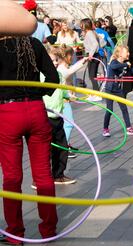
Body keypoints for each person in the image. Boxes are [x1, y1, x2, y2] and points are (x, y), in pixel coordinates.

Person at [0, 35, 59, 246]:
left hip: (7, 112)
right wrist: (36, 92)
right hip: (36, 110)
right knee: (43, 174)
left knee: (12, 176)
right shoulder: (33, 44)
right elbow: (53, 78)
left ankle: (15, 232)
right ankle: (49, 230)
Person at [39, 47, 78, 186]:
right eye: (52, 60)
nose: (55, 63)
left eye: (56, 60)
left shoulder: (59, 76)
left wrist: (69, 95)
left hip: (57, 116)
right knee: (45, 149)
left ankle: (58, 175)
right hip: (45, 117)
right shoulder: (40, 76)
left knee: (61, 147)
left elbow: (61, 91)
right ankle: (40, 179)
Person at [103, 46, 133, 137]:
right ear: (120, 54)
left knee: (124, 109)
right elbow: (114, 67)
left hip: (118, 90)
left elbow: (130, 73)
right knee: (109, 110)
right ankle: (105, 128)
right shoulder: (114, 62)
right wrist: (126, 65)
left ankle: (128, 128)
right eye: (126, 52)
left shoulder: (125, 64)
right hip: (109, 89)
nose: (128, 54)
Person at [58, 45, 88, 158]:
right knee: (69, 123)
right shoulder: (62, 69)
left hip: (65, 98)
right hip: (63, 99)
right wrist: (83, 61)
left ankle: (65, 145)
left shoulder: (64, 67)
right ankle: (63, 147)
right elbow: (70, 72)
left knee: (65, 123)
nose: (73, 57)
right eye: (72, 55)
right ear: (68, 56)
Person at [80, 18, 102, 102]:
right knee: (93, 76)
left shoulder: (89, 33)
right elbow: (102, 42)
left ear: (85, 24)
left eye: (82, 24)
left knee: (92, 76)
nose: (81, 26)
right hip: (95, 56)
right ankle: (96, 94)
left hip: (93, 56)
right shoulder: (93, 32)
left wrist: (91, 54)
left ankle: (97, 95)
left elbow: (95, 43)